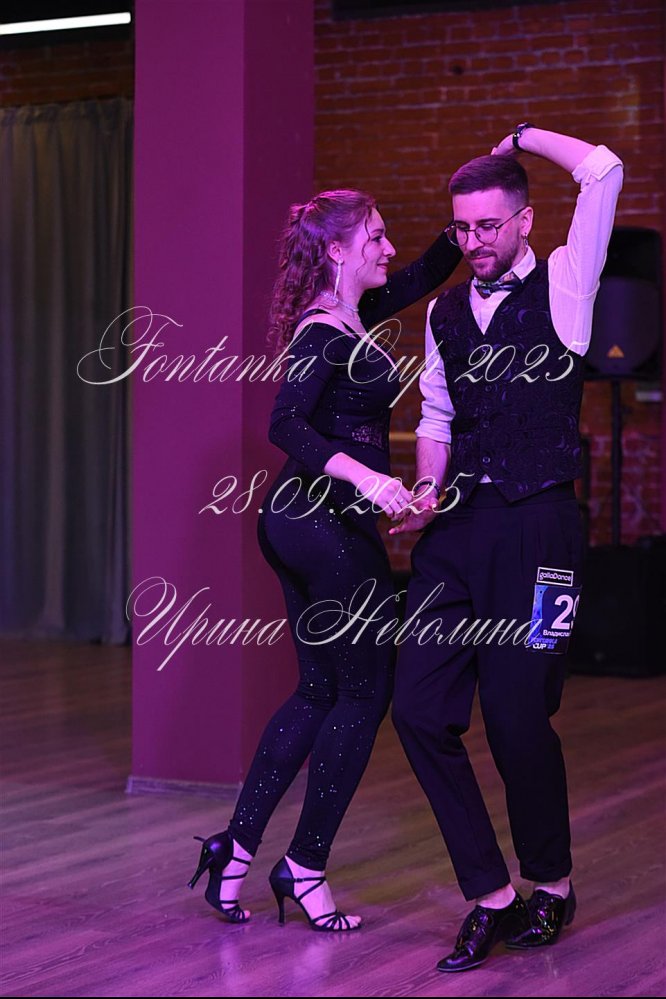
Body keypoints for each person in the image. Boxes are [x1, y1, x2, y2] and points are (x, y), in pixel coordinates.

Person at [187, 189, 461, 931]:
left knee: (318, 691)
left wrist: (468, 217)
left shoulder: (354, 314)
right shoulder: (323, 330)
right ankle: (304, 866)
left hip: (299, 520)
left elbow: (421, 273)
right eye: (375, 236)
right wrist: (368, 479)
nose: (387, 247)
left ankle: (233, 853)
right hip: (322, 522)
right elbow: (285, 423)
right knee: (364, 694)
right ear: (337, 251)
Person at [389, 125, 623, 969]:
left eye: (488, 225)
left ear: (524, 221)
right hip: (458, 530)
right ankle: (490, 893)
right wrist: (425, 490)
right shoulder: (444, 311)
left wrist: (523, 137)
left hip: (540, 527)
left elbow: (603, 169)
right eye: (461, 227)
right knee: (419, 709)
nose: (473, 242)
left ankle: (551, 884)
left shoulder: (567, 282)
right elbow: (437, 416)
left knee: (520, 715)